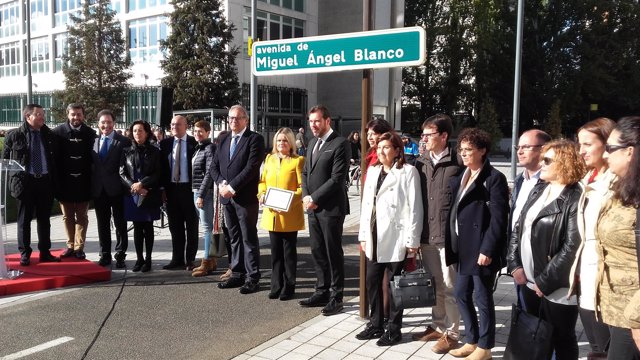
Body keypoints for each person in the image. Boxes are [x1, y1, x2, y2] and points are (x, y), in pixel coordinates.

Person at [507, 139, 586, 360]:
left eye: (547, 160)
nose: (541, 163)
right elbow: (518, 227)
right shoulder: (539, 189)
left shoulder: (575, 197)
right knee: (534, 335)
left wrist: (545, 281)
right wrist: (514, 265)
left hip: (556, 288)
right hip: (528, 281)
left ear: (565, 163)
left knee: (562, 339)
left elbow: (572, 246)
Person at [355, 131, 423, 346]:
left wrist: (413, 241)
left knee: (395, 286)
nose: (381, 150)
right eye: (379, 147)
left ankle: (394, 329)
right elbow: (366, 207)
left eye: (386, 147)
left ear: (396, 150)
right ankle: (376, 323)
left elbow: (415, 208)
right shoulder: (373, 171)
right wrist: (363, 235)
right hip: (374, 236)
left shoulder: (408, 172)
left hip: (396, 237)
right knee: (372, 282)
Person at [446, 128, 509, 360]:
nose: (463, 154)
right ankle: (471, 339)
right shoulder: (462, 175)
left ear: (482, 150)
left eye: (469, 150)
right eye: (461, 149)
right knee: (461, 293)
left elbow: (499, 219)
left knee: (482, 298)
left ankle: (485, 347)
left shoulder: (494, 179)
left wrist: (488, 249)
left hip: (481, 249)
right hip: (462, 247)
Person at [412, 114, 463, 354]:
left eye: (429, 134)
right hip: (426, 235)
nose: (424, 139)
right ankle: (437, 324)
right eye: (423, 135)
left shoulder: (459, 162)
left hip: (448, 236)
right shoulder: (420, 162)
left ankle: (452, 333)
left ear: (444, 136)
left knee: (451, 285)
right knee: (436, 285)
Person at [571, 118, 616, 358]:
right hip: (585, 274)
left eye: (587, 144)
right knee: (596, 345)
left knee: (606, 345)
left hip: (606, 279)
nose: (581, 151)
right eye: (580, 144)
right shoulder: (588, 179)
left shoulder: (617, 184)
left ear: (608, 144)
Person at [300, 105, 351, 316]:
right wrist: (305, 196)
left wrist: (315, 198)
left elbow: (337, 178)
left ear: (327, 121)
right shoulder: (312, 143)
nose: (313, 125)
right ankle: (321, 290)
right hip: (313, 208)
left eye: (317, 121)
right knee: (317, 251)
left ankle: (336, 296)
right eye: (311, 121)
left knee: (332, 253)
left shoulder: (340, 143)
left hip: (330, 209)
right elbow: (305, 173)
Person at [596, 116, 640, 359]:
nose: (605, 155)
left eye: (610, 149)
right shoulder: (621, 187)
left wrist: (636, 319)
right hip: (617, 311)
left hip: (634, 316)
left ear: (630, 152)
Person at [210, 105, 265, 294]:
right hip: (227, 198)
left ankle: (252, 277)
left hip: (245, 198)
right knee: (233, 237)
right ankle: (237, 273)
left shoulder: (254, 139)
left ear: (246, 120)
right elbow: (214, 167)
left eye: (238, 118)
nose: (234, 121)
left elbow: (251, 168)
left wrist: (232, 187)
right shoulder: (224, 140)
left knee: (248, 238)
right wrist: (221, 184)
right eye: (231, 118)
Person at [2, 104, 60, 265]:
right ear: (28, 117)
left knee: (44, 220)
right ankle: (25, 253)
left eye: (43, 114)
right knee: (24, 220)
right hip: (25, 183)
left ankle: (45, 251)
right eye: (38, 114)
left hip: (45, 182)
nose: (43, 117)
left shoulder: (48, 134)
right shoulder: (14, 135)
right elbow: (5, 161)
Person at [258, 127, 305, 301]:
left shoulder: (298, 161)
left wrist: (289, 200)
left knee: (288, 253)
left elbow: (302, 188)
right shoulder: (269, 159)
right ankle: (276, 285)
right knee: (275, 253)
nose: (281, 143)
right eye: (278, 140)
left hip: (289, 213)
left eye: (285, 140)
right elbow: (262, 182)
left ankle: (289, 286)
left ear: (291, 142)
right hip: (272, 214)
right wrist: (261, 195)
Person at [510, 129, 552, 307]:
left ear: (543, 150)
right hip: (519, 259)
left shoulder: (552, 182)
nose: (519, 151)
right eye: (518, 147)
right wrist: (514, 264)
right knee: (526, 316)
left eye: (526, 147)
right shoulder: (520, 180)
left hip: (543, 266)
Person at [53, 103, 96, 260]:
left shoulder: (91, 134)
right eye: (73, 114)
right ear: (68, 115)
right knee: (67, 216)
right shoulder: (57, 133)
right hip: (64, 183)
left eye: (79, 114)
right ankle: (70, 245)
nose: (76, 117)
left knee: (82, 217)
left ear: (83, 116)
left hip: (84, 182)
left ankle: (79, 247)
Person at [120, 120, 162, 272]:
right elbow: (122, 172)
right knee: (137, 228)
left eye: (141, 130)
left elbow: (157, 173)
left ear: (147, 133)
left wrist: (143, 184)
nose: (138, 133)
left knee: (148, 227)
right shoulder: (126, 150)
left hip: (148, 192)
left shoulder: (155, 151)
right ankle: (139, 259)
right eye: (135, 131)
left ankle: (149, 260)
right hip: (132, 193)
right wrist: (134, 186)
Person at [92, 109, 131, 267]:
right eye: (103, 122)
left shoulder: (123, 141)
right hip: (99, 190)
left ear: (113, 123)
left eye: (109, 122)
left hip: (117, 189)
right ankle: (105, 254)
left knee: (120, 223)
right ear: (98, 124)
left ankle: (120, 254)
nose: (106, 125)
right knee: (102, 223)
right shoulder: (93, 141)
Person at [160, 115, 199, 270]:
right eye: (172, 124)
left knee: (191, 226)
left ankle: (190, 260)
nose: (175, 127)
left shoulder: (193, 143)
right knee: (175, 227)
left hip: (189, 189)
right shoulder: (165, 144)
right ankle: (177, 259)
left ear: (186, 126)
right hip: (171, 189)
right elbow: (161, 169)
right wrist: (162, 189)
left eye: (178, 124)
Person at [191, 120, 217, 277]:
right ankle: (211, 260)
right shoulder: (199, 148)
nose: (197, 134)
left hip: (204, 193)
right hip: (197, 190)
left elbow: (209, 173)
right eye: (195, 131)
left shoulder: (209, 148)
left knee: (207, 228)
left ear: (208, 132)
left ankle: (206, 262)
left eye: (201, 131)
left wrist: (201, 194)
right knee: (206, 227)